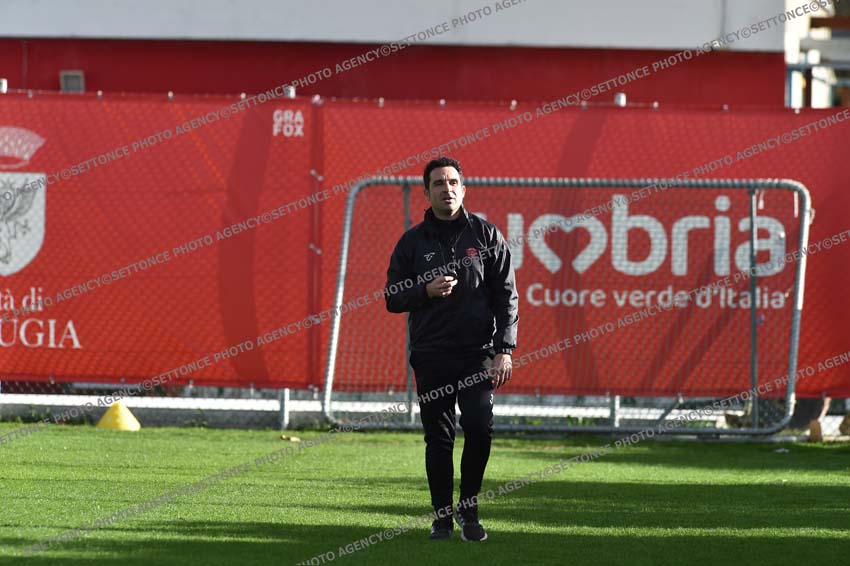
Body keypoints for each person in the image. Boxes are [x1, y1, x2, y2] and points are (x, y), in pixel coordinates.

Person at [384, 156, 518, 542]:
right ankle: (442, 518)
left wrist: (504, 349)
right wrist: (424, 291)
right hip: (432, 354)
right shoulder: (412, 242)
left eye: (453, 182)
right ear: (426, 193)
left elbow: (507, 297)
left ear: (464, 189)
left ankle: (469, 510)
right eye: (439, 184)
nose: (447, 189)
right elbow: (392, 297)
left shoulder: (486, 236)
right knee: (440, 438)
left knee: (479, 427)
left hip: (477, 354)